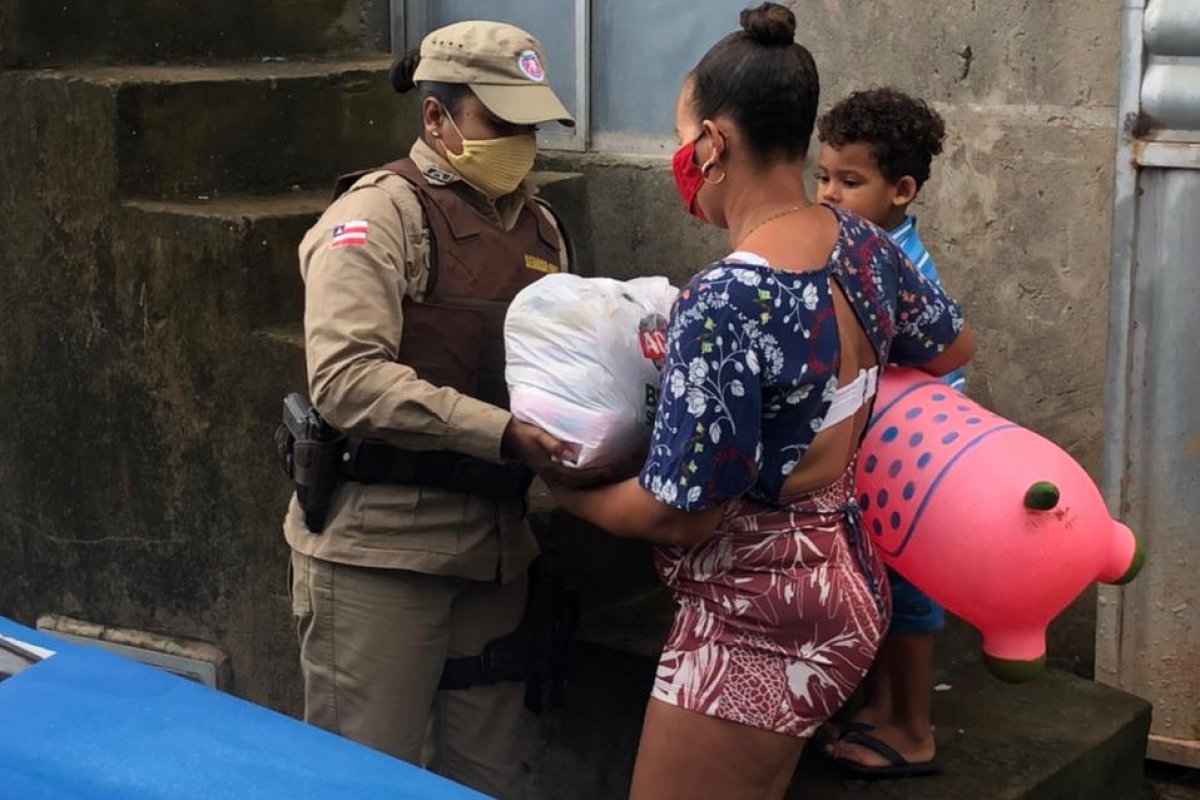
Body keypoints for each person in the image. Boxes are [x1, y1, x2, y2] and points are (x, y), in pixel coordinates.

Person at [545, 4, 975, 798]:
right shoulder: (865, 244)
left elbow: (685, 514)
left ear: (713, 142)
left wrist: (569, 496)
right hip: (848, 581)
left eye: (682, 136)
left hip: (757, 621)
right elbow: (951, 346)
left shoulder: (728, 297)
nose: (681, 155)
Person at [282, 20, 594, 800]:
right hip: (381, 556)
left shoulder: (541, 228)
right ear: (436, 119)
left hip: (496, 557)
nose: (520, 142)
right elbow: (347, 378)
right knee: (359, 781)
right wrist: (504, 433)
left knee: (491, 781)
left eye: (530, 125)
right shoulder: (380, 214)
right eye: (501, 122)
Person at [814, 87, 961, 777]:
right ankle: (880, 708)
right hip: (882, 458)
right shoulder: (867, 247)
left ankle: (914, 729)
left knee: (909, 594)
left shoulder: (892, 262)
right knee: (878, 585)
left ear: (901, 189)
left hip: (916, 465)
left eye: (850, 181)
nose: (830, 194)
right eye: (823, 177)